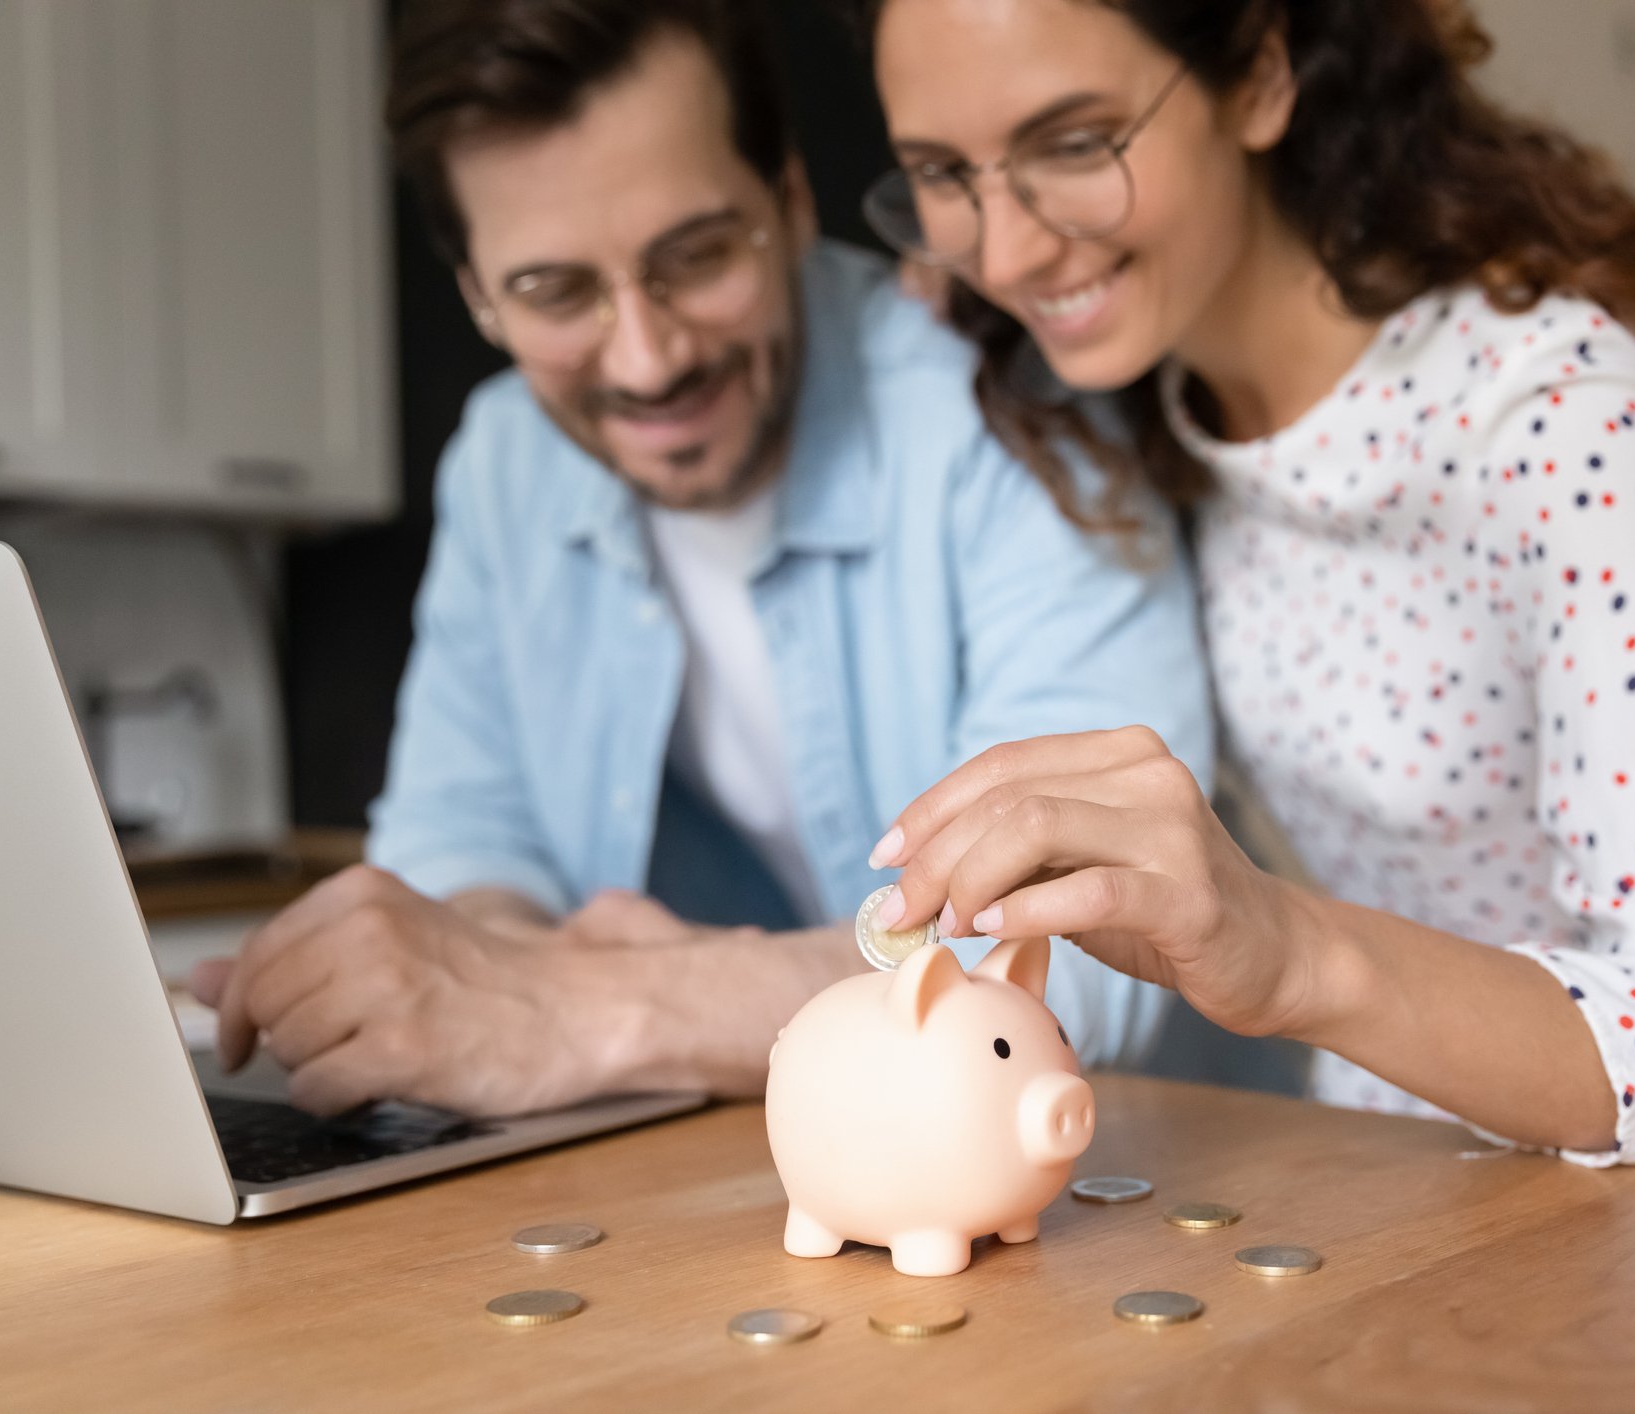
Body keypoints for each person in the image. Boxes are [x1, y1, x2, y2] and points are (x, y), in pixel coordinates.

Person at [853, 0, 1635, 1175]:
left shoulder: (1548, 417)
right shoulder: (1135, 409)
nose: (1004, 255)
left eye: (1078, 143)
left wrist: (1296, 953)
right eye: (943, 172)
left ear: (1260, 77)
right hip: (1416, 1198)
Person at [188, 0, 1211, 1117]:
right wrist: (472, 975)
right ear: (478, 293)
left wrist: (581, 1009)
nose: (646, 359)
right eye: (554, 292)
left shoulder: (1003, 406)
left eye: (698, 256)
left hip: (1114, 1154)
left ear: (791, 199)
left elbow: (1085, 946)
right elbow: (463, 835)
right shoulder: (504, 462)